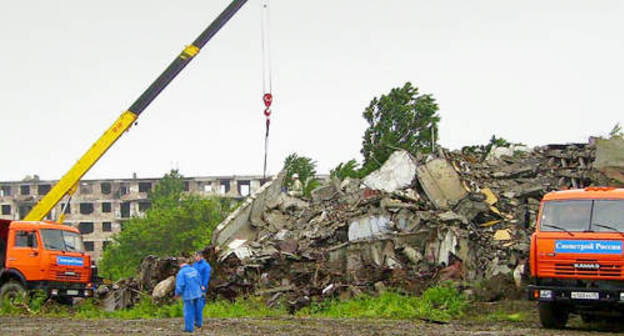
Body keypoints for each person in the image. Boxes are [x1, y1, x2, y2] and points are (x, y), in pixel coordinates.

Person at [175, 256, 203, 333]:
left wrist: (177, 294)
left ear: (179, 264)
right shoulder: (194, 270)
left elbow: (180, 285)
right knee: (198, 309)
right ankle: (199, 323)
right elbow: (200, 280)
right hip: (198, 292)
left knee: (188, 311)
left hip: (188, 294)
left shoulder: (181, 273)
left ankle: (189, 328)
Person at [193, 251, 211, 329]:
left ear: (201, 256)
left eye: (196, 256)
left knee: (200, 304)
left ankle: (199, 322)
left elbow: (206, 276)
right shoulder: (195, 265)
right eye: (195, 256)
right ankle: (195, 320)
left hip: (201, 287)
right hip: (194, 286)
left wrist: (204, 285)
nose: (195, 258)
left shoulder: (206, 266)